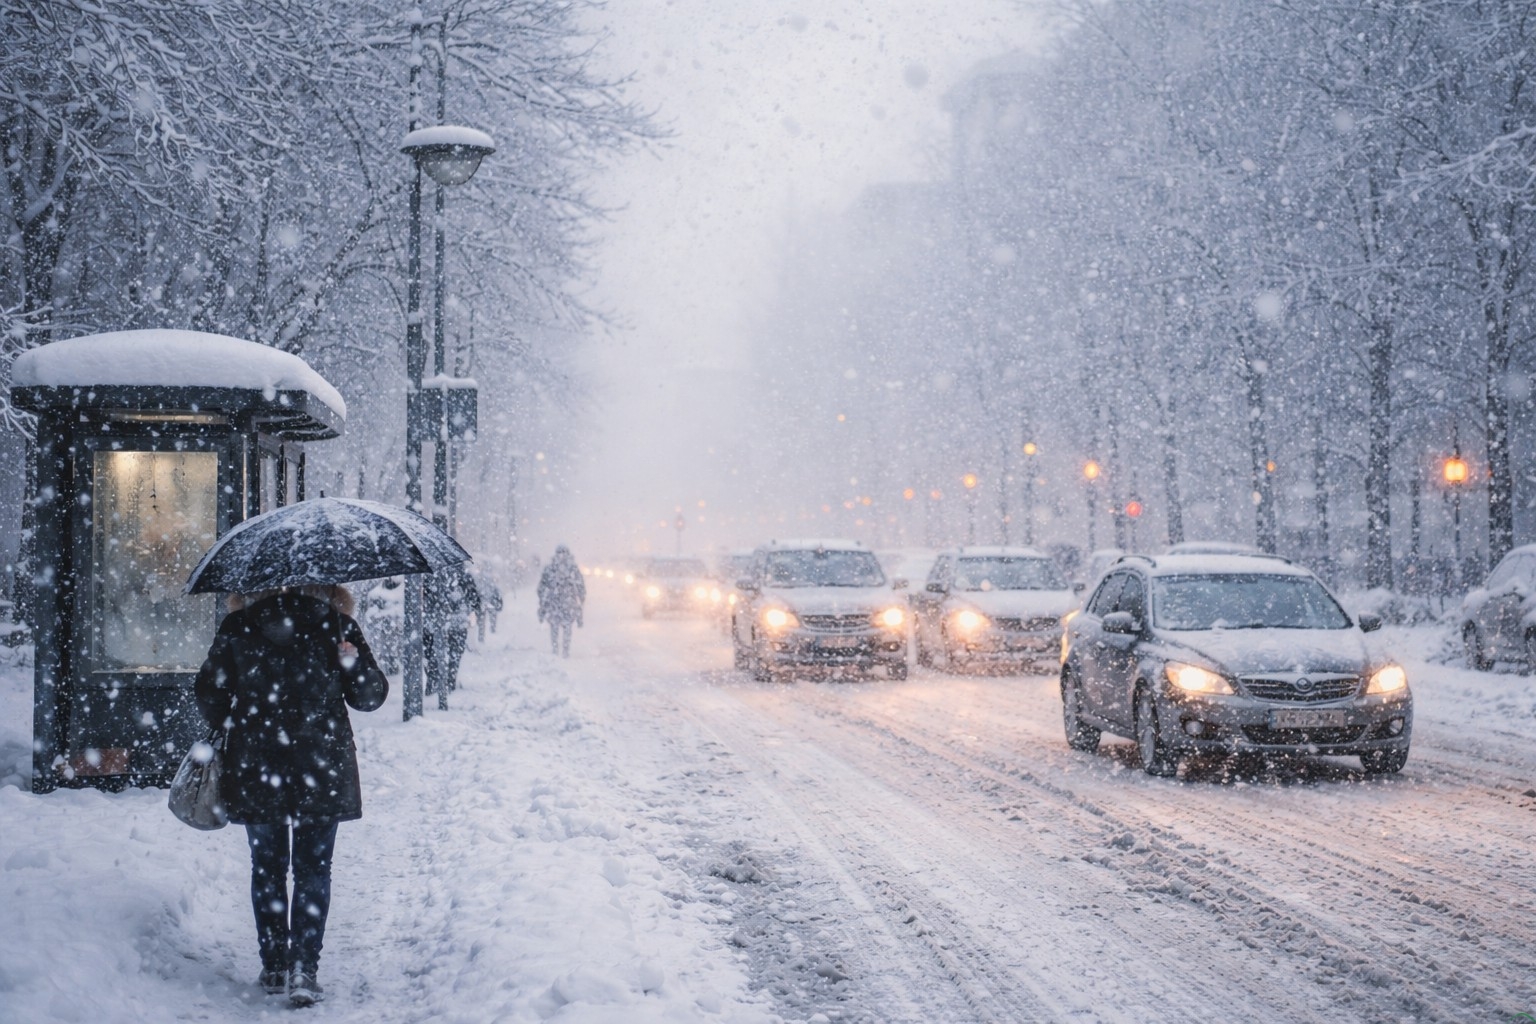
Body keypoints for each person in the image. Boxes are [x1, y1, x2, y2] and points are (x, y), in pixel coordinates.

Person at [193, 584, 389, 1007]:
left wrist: (240, 716)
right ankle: (304, 967)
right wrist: (350, 663)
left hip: (257, 764)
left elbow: (209, 694)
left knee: (267, 865)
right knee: (314, 868)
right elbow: (369, 698)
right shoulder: (337, 625)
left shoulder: (239, 625)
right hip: (322, 765)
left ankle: (275, 963)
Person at [424, 564, 480, 694]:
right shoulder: (463, 575)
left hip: (434, 623)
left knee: (431, 655)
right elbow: (475, 599)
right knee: (454, 656)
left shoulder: (431, 573)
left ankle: (433, 683)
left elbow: (425, 599)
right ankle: (449, 682)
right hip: (457, 623)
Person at [537, 545, 586, 657]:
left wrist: (542, 601)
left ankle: (556, 650)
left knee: (555, 627)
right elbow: (580, 586)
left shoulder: (551, 568)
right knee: (566, 627)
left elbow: (541, 587)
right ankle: (565, 651)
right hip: (568, 603)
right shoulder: (572, 568)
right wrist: (581, 599)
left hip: (554, 603)